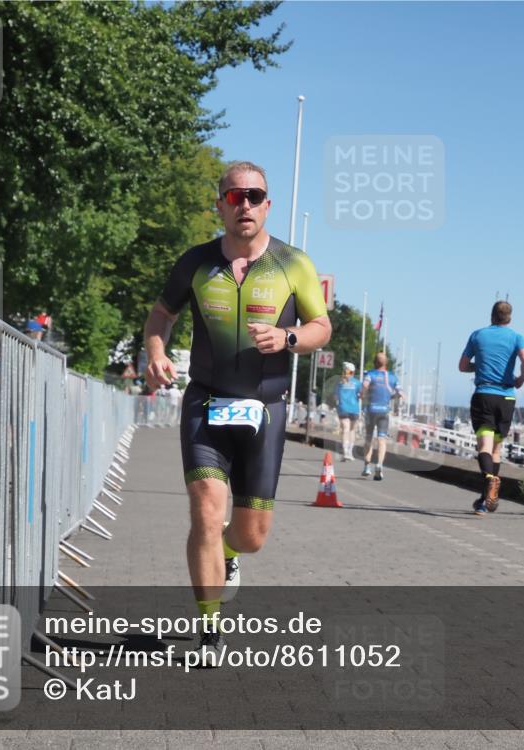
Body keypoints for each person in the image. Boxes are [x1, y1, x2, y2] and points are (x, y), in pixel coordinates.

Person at [143, 161, 331, 665]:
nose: (243, 205)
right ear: (221, 204)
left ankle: (229, 555)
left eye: (254, 196)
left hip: (264, 411)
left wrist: (288, 338)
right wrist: (156, 352)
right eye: (233, 197)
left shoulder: (294, 263)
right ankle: (209, 630)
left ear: (267, 204)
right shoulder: (197, 262)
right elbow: (162, 313)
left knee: (251, 536)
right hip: (205, 402)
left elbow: (321, 327)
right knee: (206, 510)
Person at [459, 300, 524, 515]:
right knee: (496, 450)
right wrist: (520, 379)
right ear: (509, 318)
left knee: (484, 447)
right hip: (507, 398)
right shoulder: (517, 337)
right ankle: (485, 500)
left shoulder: (478, 335)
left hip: (484, 395)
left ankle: (490, 482)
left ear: (491, 316)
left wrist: (478, 366)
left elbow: (463, 366)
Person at [361, 352, 402, 481]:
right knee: (382, 439)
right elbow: (399, 393)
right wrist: (392, 397)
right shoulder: (392, 377)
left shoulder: (370, 375)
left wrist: (362, 395)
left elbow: (364, 388)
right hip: (384, 411)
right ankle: (379, 465)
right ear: (387, 363)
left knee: (368, 438)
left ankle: (367, 466)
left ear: (374, 362)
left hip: (371, 410)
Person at [334, 362, 362, 461]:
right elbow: (362, 395)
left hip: (343, 408)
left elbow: (336, 397)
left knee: (345, 429)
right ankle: (350, 452)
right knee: (352, 430)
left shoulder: (339, 383)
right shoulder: (357, 383)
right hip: (354, 409)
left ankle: (345, 452)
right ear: (353, 372)